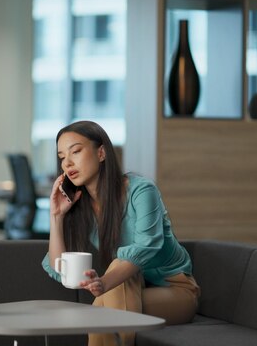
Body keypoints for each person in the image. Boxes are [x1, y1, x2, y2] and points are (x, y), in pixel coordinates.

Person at [42, 121, 200, 346]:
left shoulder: (141, 191)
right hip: (128, 287)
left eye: (76, 151)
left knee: (114, 285)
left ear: (101, 152)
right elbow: (60, 270)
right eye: (61, 157)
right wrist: (56, 216)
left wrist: (105, 283)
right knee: (117, 288)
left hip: (176, 291)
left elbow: (146, 246)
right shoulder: (80, 207)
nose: (67, 163)